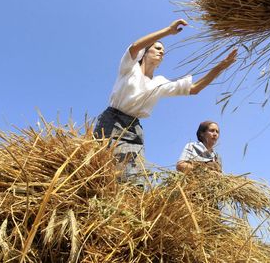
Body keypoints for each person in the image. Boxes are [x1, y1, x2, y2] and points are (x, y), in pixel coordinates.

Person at [94, 19, 236, 183]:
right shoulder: (129, 68)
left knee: (135, 179)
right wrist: (168, 31)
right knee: (105, 170)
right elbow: (135, 47)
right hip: (113, 121)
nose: (162, 52)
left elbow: (195, 88)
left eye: (163, 51)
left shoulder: (160, 82)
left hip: (134, 128)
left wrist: (221, 67)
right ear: (145, 53)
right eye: (157, 48)